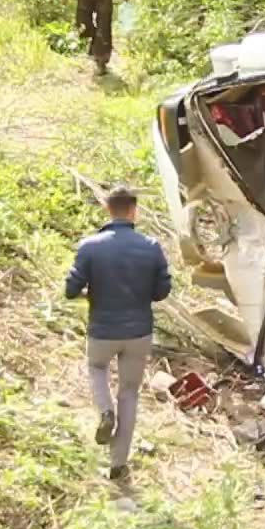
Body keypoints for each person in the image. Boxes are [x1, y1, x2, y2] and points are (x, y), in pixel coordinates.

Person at [65, 185, 171, 481]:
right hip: (138, 333)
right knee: (130, 393)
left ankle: (104, 411)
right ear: (134, 211)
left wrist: (90, 292)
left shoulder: (90, 246)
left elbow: (71, 289)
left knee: (96, 368)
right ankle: (118, 464)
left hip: (102, 329)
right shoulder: (151, 246)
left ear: (107, 209)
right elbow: (162, 290)